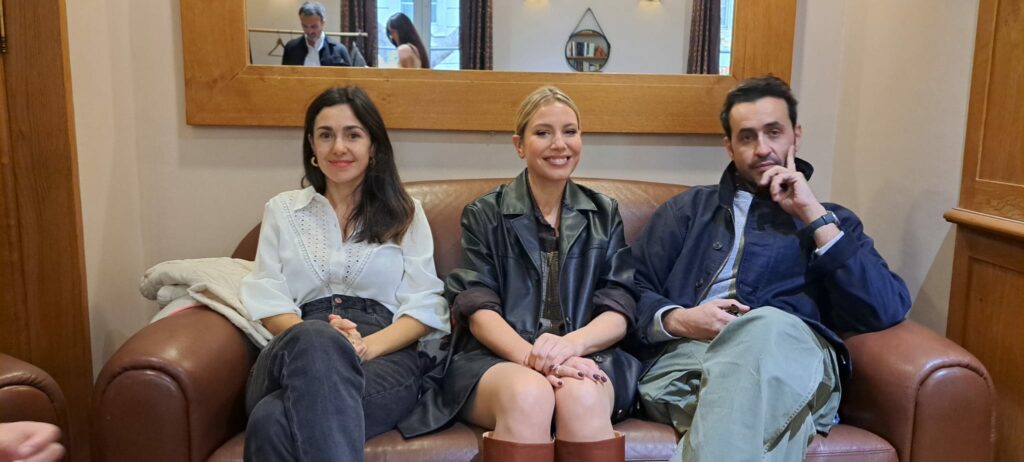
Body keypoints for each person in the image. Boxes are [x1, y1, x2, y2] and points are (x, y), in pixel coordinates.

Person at [630, 75, 912, 461]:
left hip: (792, 357)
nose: (762, 148)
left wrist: (812, 213)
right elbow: (630, 290)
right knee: (764, 411)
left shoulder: (833, 221)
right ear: (729, 146)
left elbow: (884, 307)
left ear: (796, 136)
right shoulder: (687, 212)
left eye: (774, 132)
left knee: (766, 326)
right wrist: (680, 319)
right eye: (747, 137)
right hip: (688, 365)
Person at [398, 86, 638, 462]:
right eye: (543, 132)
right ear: (519, 145)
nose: (559, 144)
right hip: (498, 358)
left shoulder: (604, 213)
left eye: (570, 131)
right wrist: (534, 357)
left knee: (582, 395)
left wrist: (570, 346)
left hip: (586, 354)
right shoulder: (484, 213)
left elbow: (619, 305)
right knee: (529, 393)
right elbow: (477, 308)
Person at [240, 86, 450, 461]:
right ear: (312, 145)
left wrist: (363, 347)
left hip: (382, 352)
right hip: (294, 345)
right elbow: (267, 296)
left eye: (353, 135)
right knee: (315, 337)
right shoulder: (282, 210)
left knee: (271, 419)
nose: (339, 147)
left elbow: (424, 305)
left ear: (373, 146)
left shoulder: (405, 212)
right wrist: (324, 339)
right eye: (326, 135)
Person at [281, 2, 352, 67]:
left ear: (323, 23)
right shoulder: (291, 48)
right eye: (305, 26)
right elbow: (283, 75)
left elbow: (350, 76)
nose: (309, 31)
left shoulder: (338, 50)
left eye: (314, 26)